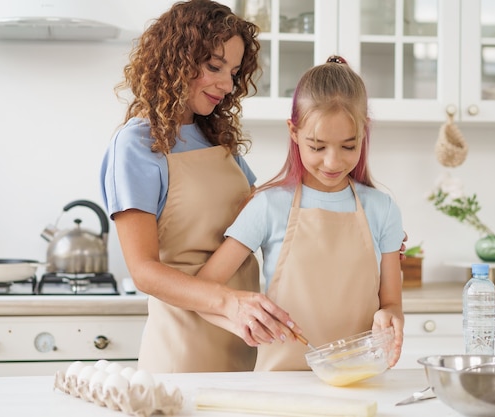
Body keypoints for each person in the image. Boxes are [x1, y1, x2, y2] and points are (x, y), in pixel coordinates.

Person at [100, 0, 302, 373]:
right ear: (176, 59)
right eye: (214, 66)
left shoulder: (213, 136)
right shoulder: (137, 145)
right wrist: (228, 302)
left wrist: (358, 229)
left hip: (242, 338)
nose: (227, 85)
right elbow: (144, 270)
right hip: (184, 347)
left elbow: (260, 213)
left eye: (234, 72)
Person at [197, 56, 405, 371]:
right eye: (318, 147)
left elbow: (392, 303)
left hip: (359, 380)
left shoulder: (383, 209)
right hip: (281, 383)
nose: (333, 162)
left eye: (348, 147)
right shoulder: (268, 205)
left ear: (364, 133)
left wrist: (390, 315)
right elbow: (205, 289)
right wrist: (242, 318)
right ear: (293, 132)